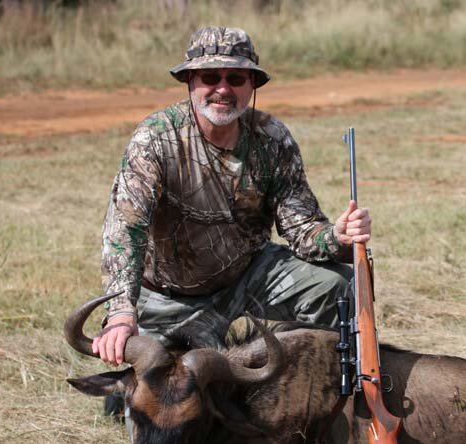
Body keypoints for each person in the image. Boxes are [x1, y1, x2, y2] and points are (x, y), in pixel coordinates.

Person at [92, 26, 371, 366]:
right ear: (190, 81)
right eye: (211, 77)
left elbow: (302, 230)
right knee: (158, 407)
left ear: (252, 85)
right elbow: (125, 230)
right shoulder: (155, 139)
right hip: (171, 297)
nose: (223, 89)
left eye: (236, 78)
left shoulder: (271, 137)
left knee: (336, 285)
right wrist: (121, 313)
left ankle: (313, 384)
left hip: (247, 273)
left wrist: (336, 236)